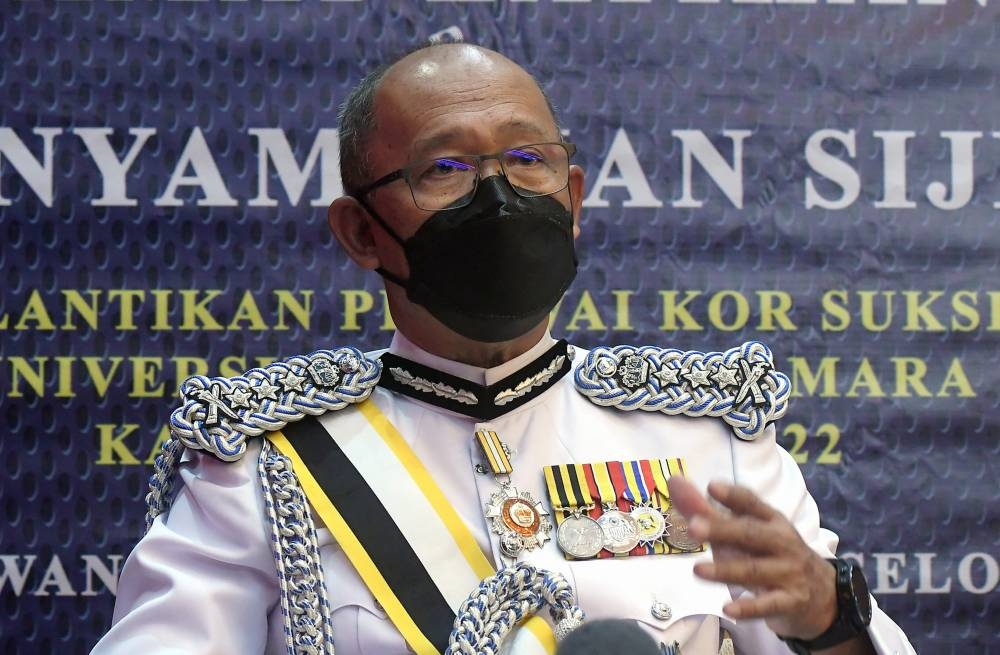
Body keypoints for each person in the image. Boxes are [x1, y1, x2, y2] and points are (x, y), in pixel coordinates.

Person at [92, 43, 916, 655]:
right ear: (361, 232)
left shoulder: (709, 440)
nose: (499, 194)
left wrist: (827, 617)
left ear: (574, 197)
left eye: (528, 159)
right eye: (444, 168)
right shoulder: (263, 463)